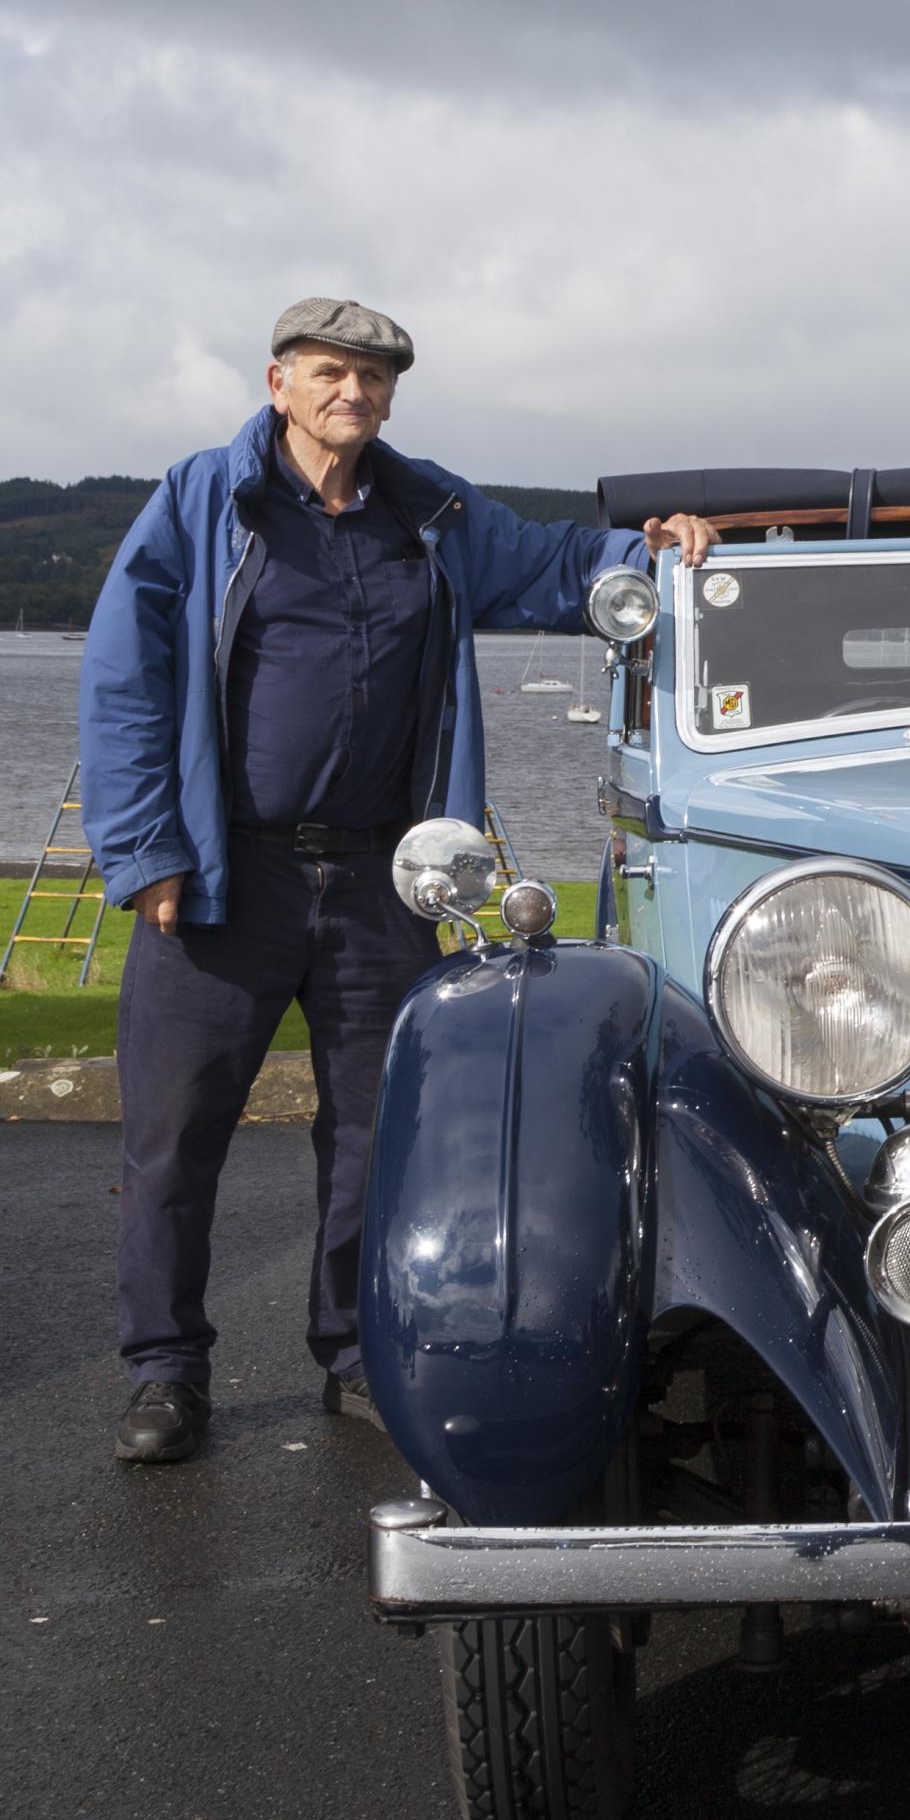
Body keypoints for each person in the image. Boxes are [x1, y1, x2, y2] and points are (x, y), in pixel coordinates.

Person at [78, 297, 719, 1464]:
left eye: (374, 380)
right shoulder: (201, 504)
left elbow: (560, 564)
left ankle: (354, 1352)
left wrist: (647, 548)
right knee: (174, 1140)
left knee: (378, 1138)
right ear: (278, 385)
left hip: (381, 878)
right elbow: (127, 676)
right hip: (227, 878)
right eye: (330, 374)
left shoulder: (431, 511)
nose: (353, 396)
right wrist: (147, 852)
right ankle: (164, 1369)